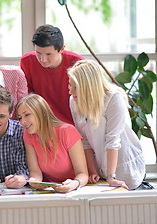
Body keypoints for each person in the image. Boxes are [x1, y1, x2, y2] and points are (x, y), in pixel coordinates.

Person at [68, 60, 153, 190]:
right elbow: (84, 140)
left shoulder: (113, 98)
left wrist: (111, 177)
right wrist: (93, 171)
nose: (70, 91)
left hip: (125, 165)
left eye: (76, 88)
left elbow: (113, 140)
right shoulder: (74, 100)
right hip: (103, 167)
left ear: (89, 88)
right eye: (70, 85)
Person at [16, 94, 88, 193]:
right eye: (19, 118)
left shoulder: (67, 131)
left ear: (41, 112)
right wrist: (34, 181)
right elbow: (35, 171)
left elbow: (83, 174)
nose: (23, 121)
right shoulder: (28, 134)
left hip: (75, 191)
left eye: (27, 115)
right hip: (50, 191)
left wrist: (73, 184)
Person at [20, 24, 84, 124]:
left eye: (48, 54)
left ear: (62, 49)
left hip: (75, 125)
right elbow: (28, 98)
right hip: (43, 124)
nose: (42, 59)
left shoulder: (78, 64)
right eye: (38, 53)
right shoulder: (27, 62)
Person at [0, 88, 28, 188]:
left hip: (17, 191)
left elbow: (23, 167)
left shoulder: (21, 131)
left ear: (11, 113)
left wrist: (21, 178)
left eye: (2, 116)